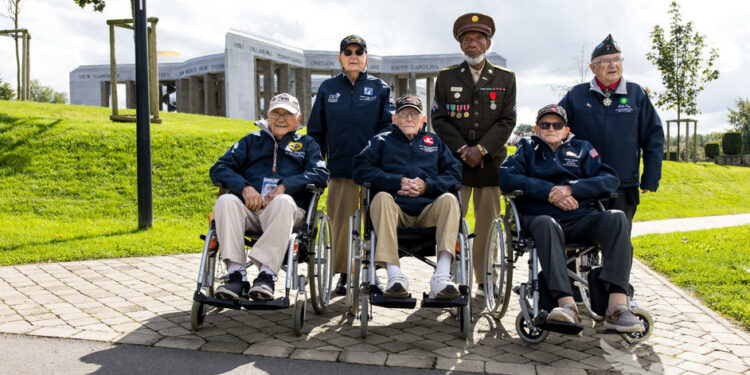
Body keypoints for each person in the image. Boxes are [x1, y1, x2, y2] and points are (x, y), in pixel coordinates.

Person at [499, 104, 644, 333]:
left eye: (557, 125)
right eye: (545, 125)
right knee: (547, 223)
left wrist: (572, 188)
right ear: (536, 129)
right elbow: (507, 178)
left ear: (566, 130)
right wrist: (549, 192)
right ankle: (566, 305)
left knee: (616, 218)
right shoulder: (526, 148)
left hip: (580, 219)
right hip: (540, 219)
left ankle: (617, 307)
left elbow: (609, 179)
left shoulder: (582, 149)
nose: (551, 129)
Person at [210, 93, 329, 301]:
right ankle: (236, 275)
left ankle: (266, 275)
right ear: (268, 116)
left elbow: (320, 174)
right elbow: (219, 168)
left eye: (287, 114)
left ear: (298, 119)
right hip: (252, 210)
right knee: (226, 201)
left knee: (283, 202)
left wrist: (285, 186)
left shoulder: (307, 144)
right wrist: (245, 187)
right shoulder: (251, 141)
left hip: (289, 212)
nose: (281, 119)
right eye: (276, 113)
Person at [431, 13, 516, 296]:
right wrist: (463, 149)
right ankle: (449, 276)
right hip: (456, 163)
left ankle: (484, 277)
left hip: (490, 162)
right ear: (461, 45)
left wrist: (480, 149)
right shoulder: (446, 77)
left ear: (488, 43)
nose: (473, 44)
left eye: (478, 38)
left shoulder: (506, 78)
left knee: (488, 224)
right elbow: (439, 119)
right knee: (451, 221)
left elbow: (506, 120)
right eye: (467, 39)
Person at [308, 35, 395, 295]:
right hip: (340, 169)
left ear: (366, 57)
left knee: (375, 220)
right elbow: (315, 131)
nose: (353, 55)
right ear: (340, 58)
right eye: (348, 51)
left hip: (372, 171)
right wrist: (318, 164)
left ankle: (371, 271)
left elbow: (389, 130)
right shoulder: (327, 88)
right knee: (341, 222)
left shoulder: (381, 88)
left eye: (359, 51)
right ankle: (344, 274)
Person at [352, 96, 463, 299]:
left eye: (414, 114)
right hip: (395, 209)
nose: (409, 118)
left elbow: (454, 173)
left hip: (428, 210)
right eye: (404, 114)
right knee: (382, 198)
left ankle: (441, 276)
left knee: (450, 200)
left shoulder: (434, 142)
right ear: (394, 118)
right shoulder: (381, 141)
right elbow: (359, 169)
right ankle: (395, 276)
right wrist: (397, 181)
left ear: (422, 120)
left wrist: (427, 186)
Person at [558, 34, 664, 224]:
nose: (613, 65)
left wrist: (651, 176)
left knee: (619, 241)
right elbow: (554, 127)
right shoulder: (576, 95)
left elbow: (653, 137)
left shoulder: (637, 94)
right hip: (584, 183)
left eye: (617, 59)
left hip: (623, 184)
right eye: (606, 61)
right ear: (592, 68)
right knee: (582, 240)